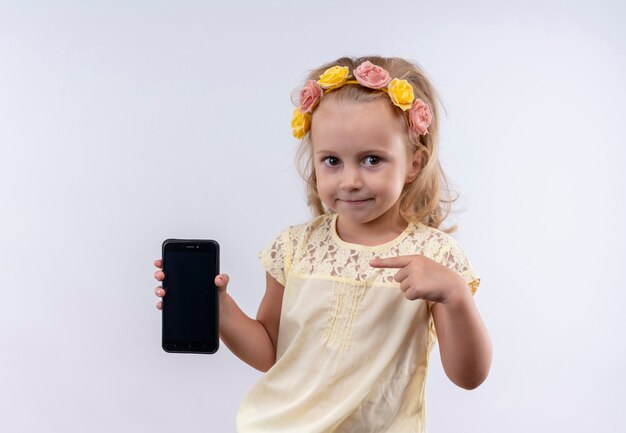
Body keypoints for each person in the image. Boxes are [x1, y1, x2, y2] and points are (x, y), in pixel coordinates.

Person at [153, 55, 492, 432]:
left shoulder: (435, 257)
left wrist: (456, 295)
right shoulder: (296, 248)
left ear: (415, 162)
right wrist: (221, 310)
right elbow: (270, 351)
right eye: (332, 160)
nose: (349, 180)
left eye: (371, 160)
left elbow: (468, 376)